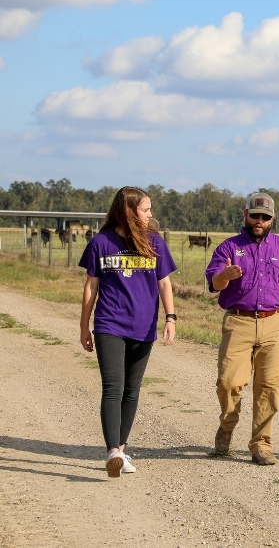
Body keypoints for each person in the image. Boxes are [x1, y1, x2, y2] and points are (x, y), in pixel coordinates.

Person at [205, 192, 279, 465]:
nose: (260, 221)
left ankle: (261, 444)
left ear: (273, 219)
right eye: (255, 216)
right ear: (245, 215)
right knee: (229, 382)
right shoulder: (228, 248)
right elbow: (214, 284)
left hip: (275, 323)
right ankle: (227, 425)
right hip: (238, 321)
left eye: (265, 217)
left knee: (269, 386)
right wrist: (224, 276)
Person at [79, 186, 177, 478]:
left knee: (132, 391)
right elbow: (91, 286)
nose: (150, 215)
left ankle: (120, 451)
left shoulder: (155, 242)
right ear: (129, 211)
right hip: (109, 324)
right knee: (113, 387)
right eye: (146, 210)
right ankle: (112, 451)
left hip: (144, 326)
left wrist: (170, 317)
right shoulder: (101, 242)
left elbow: (164, 284)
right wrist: (84, 325)